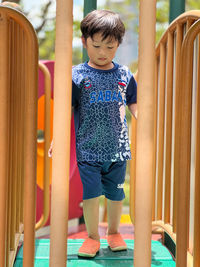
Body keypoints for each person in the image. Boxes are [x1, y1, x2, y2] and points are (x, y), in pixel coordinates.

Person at [49, 9, 137, 258]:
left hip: (118, 147)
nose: (102, 53)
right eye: (96, 46)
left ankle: (113, 231)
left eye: (109, 47)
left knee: (116, 194)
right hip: (88, 148)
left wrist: (142, 117)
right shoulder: (78, 75)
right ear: (84, 41)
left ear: (118, 44)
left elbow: (134, 101)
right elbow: (68, 107)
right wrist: (58, 136)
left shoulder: (124, 74)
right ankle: (92, 236)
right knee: (91, 195)